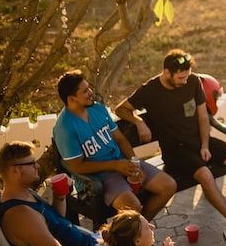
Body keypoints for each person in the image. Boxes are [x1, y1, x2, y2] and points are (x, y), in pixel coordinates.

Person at [114, 49, 226, 226]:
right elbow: (120, 109)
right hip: (175, 151)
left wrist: (205, 145)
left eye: (187, 76)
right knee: (206, 175)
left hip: (198, 141)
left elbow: (203, 117)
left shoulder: (192, 80)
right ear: (167, 72)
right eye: (180, 78)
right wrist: (138, 121)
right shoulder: (150, 90)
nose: (185, 81)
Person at [53, 69, 176, 219]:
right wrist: (115, 166)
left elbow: (120, 139)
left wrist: (135, 163)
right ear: (72, 99)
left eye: (89, 88)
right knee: (133, 208)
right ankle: (134, 231)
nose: (91, 92)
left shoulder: (97, 109)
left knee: (168, 185)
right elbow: (77, 166)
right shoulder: (65, 127)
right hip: (100, 178)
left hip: (123, 163)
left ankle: (140, 229)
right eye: (85, 91)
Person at [0, 141, 103, 246]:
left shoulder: (25, 194)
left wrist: (60, 196)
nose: (37, 166)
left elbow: (55, 223)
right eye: (31, 163)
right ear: (15, 170)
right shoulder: (20, 215)